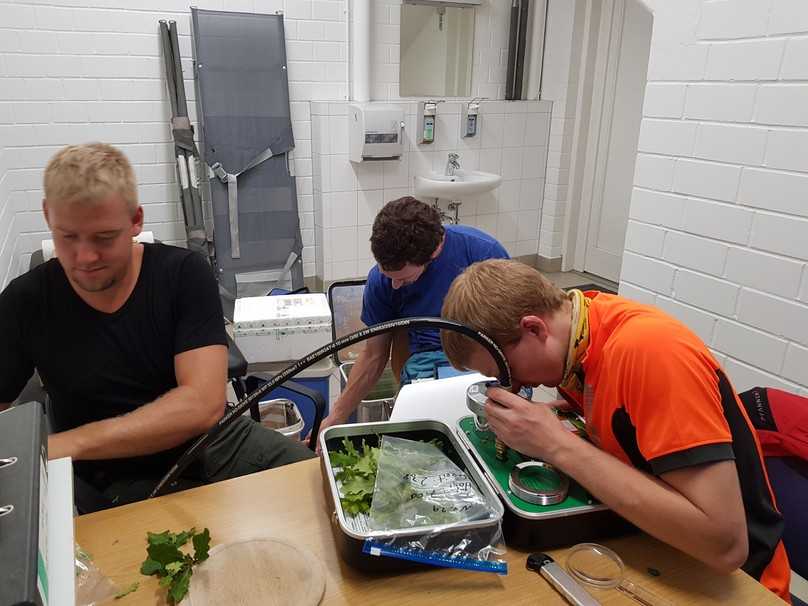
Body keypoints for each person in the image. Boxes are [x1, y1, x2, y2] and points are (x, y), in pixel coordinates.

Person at [440, 259, 791, 601]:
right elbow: (624, 420)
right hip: (652, 541)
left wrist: (556, 445)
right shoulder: (582, 331)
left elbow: (726, 545)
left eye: (508, 373)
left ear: (534, 328)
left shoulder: (651, 352)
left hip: (738, 583)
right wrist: (560, 416)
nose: (512, 388)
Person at [0, 143, 314, 511]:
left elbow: (202, 404)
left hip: (211, 443)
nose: (85, 258)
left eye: (104, 238)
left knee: (321, 489)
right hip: (111, 478)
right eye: (67, 236)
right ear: (47, 215)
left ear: (136, 220)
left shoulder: (181, 274)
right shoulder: (26, 301)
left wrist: (70, 443)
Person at [318, 196, 509, 436]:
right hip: (423, 373)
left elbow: (514, 339)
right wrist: (337, 415)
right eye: (388, 275)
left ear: (435, 251)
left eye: (403, 278)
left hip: (484, 366)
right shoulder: (381, 281)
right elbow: (374, 356)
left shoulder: (483, 254)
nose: (395, 285)